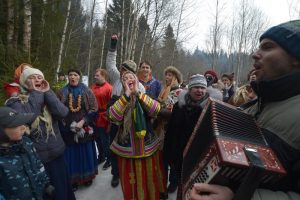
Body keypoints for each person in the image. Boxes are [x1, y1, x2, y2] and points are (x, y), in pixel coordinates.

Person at [189, 20, 300, 200]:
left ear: (296, 57)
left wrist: (239, 197)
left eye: (268, 47)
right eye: (258, 48)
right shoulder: (252, 107)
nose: (255, 54)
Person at [5, 67, 75, 200]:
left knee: (63, 192)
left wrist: (48, 92)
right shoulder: (15, 101)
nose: (37, 79)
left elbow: (63, 112)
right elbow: (28, 116)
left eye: (39, 76)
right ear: (24, 81)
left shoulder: (47, 94)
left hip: (57, 156)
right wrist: (37, 94)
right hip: (37, 162)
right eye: (32, 77)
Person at [108, 70, 162, 200]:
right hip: (126, 149)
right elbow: (113, 116)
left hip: (147, 146)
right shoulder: (117, 98)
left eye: (131, 77)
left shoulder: (144, 96)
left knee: (149, 179)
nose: (129, 79)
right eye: (125, 78)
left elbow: (156, 109)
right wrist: (126, 95)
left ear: (137, 81)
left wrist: (138, 93)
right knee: (130, 182)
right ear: (122, 83)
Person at [106, 34, 145, 188]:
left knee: (129, 149)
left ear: (133, 73)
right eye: (121, 70)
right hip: (115, 122)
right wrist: (113, 43)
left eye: (126, 71)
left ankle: (131, 175)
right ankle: (116, 174)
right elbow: (110, 64)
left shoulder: (139, 86)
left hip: (131, 124)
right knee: (114, 150)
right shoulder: (116, 79)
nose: (122, 73)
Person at [163, 74, 209, 199]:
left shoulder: (209, 109)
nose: (200, 90)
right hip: (178, 154)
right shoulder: (179, 105)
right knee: (181, 182)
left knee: (192, 188)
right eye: (196, 87)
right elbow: (171, 130)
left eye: (203, 88)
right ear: (190, 89)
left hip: (197, 157)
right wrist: (168, 152)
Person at [0, 106, 55, 200]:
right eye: (16, 124)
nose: (24, 127)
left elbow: (38, 163)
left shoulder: (26, 142)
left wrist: (46, 183)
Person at [58, 69, 98, 190]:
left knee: (85, 152)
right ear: (68, 77)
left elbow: (94, 108)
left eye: (75, 75)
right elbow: (57, 109)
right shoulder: (62, 91)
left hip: (84, 127)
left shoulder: (86, 90)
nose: (72, 77)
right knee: (71, 155)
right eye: (70, 75)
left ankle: (87, 177)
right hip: (68, 129)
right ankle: (73, 180)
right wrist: (66, 123)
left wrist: (83, 121)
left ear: (79, 77)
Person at [156, 66, 183, 194]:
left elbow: (172, 112)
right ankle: (162, 181)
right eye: (166, 75)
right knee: (163, 157)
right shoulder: (164, 90)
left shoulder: (178, 92)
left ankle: (173, 182)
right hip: (162, 128)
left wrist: (157, 109)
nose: (167, 77)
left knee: (172, 157)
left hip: (173, 129)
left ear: (176, 77)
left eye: (170, 75)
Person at [91, 68, 112, 170]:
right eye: (95, 75)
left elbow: (111, 106)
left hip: (104, 117)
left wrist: (109, 122)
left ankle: (109, 159)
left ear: (104, 76)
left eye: (97, 75)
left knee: (105, 140)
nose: (95, 77)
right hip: (95, 117)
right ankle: (101, 156)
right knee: (97, 139)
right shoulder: (93, 87)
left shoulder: (109, 88)